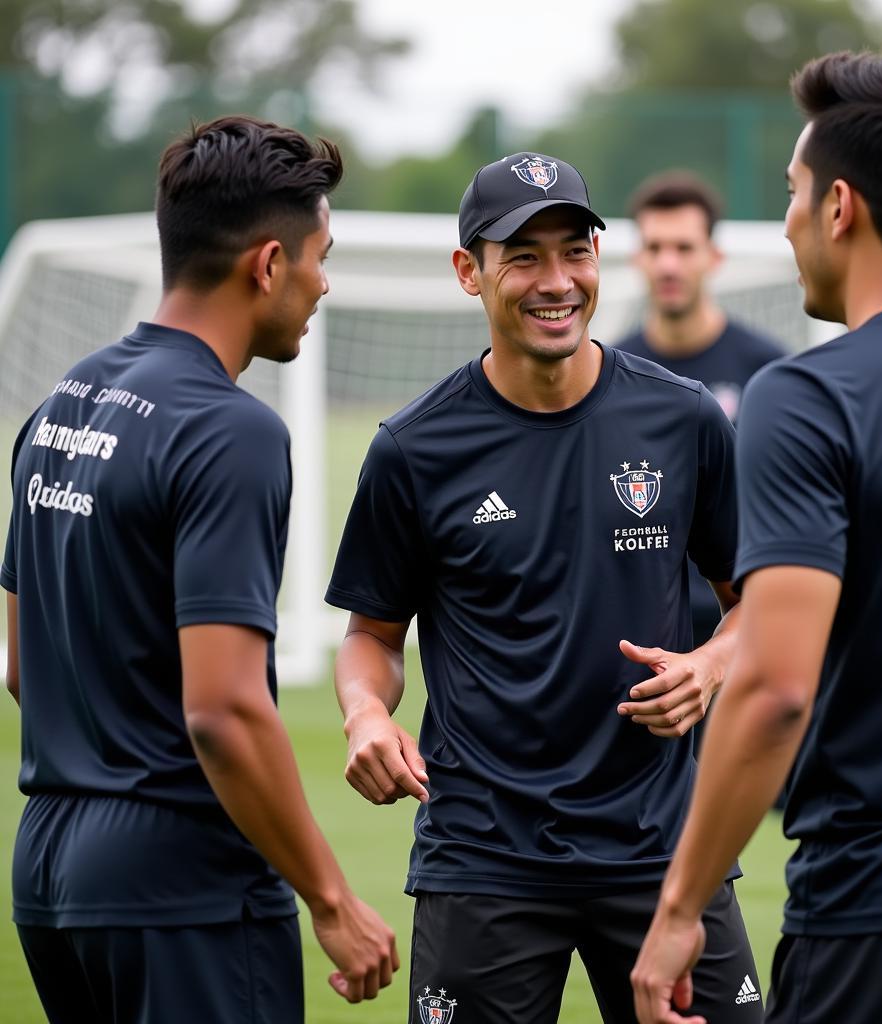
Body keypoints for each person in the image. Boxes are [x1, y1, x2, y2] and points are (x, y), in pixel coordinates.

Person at [632, 49, 882, 1024]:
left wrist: (680, 908)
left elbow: (772, 689)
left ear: (839, 207)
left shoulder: (808, 396)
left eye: (792, 192)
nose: (787, 219)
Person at [325, 151, 764, 1023]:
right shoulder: (414, 448)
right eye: (523, 256)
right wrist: (367, 714)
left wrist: (712, 666)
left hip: (660, 849)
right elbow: (371, 635)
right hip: (484, 857)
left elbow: (755, 601)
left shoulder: (683, 421)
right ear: (469, 272)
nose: (556, 281)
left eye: (575, 251)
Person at [2, 115, 399, 1024]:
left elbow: (24, 667)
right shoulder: (231, 432)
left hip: (49, 867)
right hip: (178, 885)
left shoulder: (62, 401)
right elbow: (222, 710)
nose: (324, 281)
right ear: (267, 264)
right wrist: (332, 901)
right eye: (319, 256)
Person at [617, 171, 786, 651]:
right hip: (639, 635)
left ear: (714, 257)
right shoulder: (607, 375)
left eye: (684, 248)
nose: (668, 264)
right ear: (637, 258)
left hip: (744, 625)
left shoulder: (769, 371)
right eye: (654, 247)